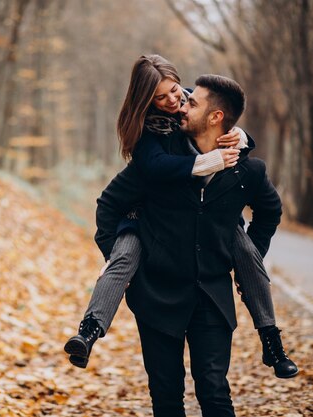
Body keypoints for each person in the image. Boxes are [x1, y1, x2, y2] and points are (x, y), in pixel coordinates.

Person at [64, 55, 298, 380]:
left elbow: (218, 114)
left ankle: (271, 340)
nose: (174, 101)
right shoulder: (149, 132)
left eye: (176, 92)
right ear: (148, 101)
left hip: (213, 228)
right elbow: (153, 168)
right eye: (162, 98)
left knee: (247, 252)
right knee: (124, 255)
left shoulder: (190, 103)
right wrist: (204, 164)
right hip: (142, 217)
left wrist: (242, 137)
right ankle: (89, 331)